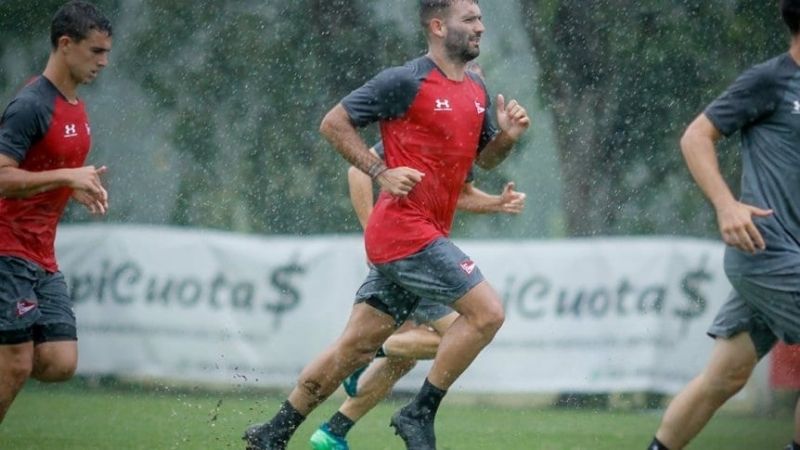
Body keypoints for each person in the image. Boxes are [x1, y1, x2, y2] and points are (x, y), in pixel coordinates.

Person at [244, 1, 530, 449]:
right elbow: (333, 124)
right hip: (405, 233)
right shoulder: (405, 81)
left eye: (480, 18)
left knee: (353, 351)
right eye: (470, 19)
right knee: (488, 313)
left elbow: (483, 161)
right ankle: (420, 412)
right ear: (438, 26)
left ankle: (274, 431)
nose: (480, 26)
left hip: (415, 238)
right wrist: (381, 172)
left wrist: (508, 137)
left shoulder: (475, 88)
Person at [310, 135, 526, 450]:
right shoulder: (423, 124)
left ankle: (334, 431)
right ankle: (368, 352)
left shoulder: (460, 132)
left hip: (420, 252)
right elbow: (357, 171)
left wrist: (496, 202)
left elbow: (459, 196)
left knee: (408, 357)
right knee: (457, 335)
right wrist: (373, 231)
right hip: (409, 254)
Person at [648, 1, 800, 449]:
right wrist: (726, 205)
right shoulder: (770, 79)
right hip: (764, 249)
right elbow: (696, 136)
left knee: (725, 376)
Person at [0, 1, 112, 424]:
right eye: (95, 51)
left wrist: (73, 187)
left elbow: (47, 174)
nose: (103, 62)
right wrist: (67, 176)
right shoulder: (31, 105)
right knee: (15, 365)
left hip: (42, 257)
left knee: (59, 360)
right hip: (7, 247)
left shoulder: (77, 110)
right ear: (66, 45)